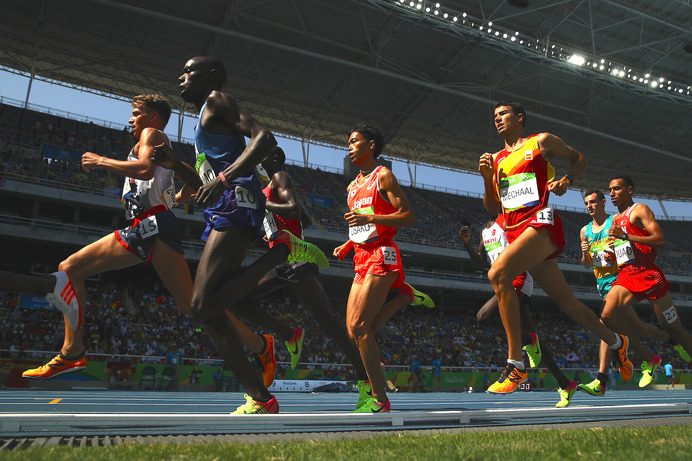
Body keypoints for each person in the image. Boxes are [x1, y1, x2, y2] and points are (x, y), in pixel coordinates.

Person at [154, 56, 331, 414]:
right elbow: (209, 182)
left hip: (237, 205)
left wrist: (222, 179)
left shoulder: (218, 100)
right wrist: (178, 167)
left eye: (189, 71)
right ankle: (259, 396)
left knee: (201, 305)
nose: (181, 76)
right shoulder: (204, 122)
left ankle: (283, 252)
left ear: (212, 76)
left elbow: (264, 139)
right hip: (225, 206)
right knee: (210, 308)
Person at [0, 94, 194, 380]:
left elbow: (144, 170)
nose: (130, 118)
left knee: (70, 268)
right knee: (190, 305)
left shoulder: (152, 134)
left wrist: (100, 159)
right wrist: (177, 197)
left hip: (148, 224)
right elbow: (160, 189)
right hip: (157, 222)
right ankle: (257, 343)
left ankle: (72, 353)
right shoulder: (157, 143)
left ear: (153, 118)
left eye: (137, 113)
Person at [478, 101, 631, 394]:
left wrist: (566, 180)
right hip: (516, 232)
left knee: (498, 274)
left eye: (504, 114)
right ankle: (616, 342)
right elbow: (492, 207)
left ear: (519, 118)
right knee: (568, 303)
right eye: (494, 116)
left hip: (540, 224)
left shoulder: (541, 142)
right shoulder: (495, 159)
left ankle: (516, 365)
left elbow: (579, 159)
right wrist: (487, 180)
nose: (497, 119)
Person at [333, 123, 418, 413]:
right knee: (352, 331)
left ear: (371, 145)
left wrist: (371, 219)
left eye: (355, 141)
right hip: (361, 258)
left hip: (383, 255)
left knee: (360, 327)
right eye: (348, 143)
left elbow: (407, 217)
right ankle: (406, 296)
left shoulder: (383, 176)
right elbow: (358, 228)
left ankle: (380, 400)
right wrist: (347, 245)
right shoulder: (351, 188)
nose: (349, 146)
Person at [459, 217, 576, 407]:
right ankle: (565, 384)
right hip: (503, 281)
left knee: (483, 317)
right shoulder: (484, 232)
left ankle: (530, 342)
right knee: (532, 339)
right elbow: (482, 262)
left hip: (517, 277)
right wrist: (466, 245)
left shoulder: (507, 220)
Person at [600, 175, 692, 388]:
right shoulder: (614, 220)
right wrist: (612, 256)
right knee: (607, 316)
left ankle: (678, 345)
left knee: (674, 329)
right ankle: (648, 360)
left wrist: (626, 237)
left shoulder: (640, 210)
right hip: (627, 275)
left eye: (617, 189)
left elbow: (660, 240)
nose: (612, 193)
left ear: (629, 190)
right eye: (610, 189)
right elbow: (624, 250)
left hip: (650, 276)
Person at [578, 189, 670, 396]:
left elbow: (629, 251)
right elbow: (586, 264)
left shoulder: (616, 222)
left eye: (593, 202)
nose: (589, 206)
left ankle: (602, 379)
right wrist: (585, 252)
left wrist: (618, 245)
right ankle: (668, 340)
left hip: (621, 280)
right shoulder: (585, 231)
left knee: (604, 323)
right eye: (586, 203)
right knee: (639, 328)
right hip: (602, 283)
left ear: (603, 203)